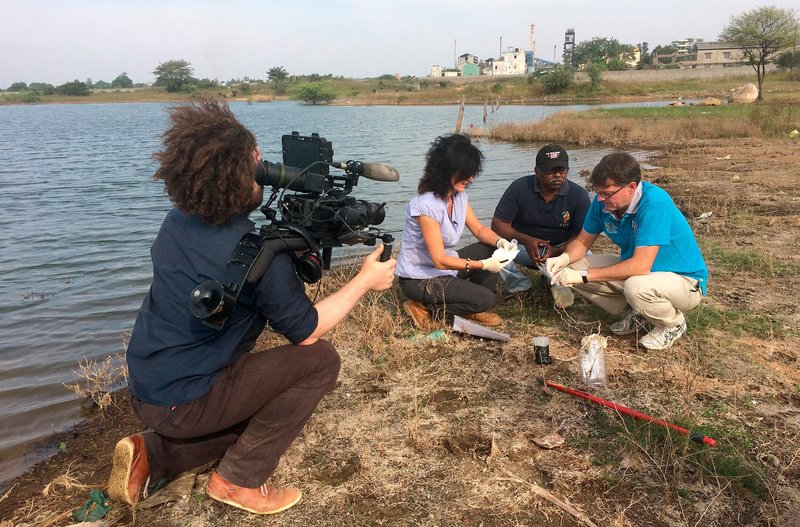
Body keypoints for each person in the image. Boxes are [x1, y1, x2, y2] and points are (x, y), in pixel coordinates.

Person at [106, 100, 396, 515]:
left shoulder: (177, 221)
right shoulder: (261, 254)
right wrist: (364, 281)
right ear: (239, 175)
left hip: (147, 387)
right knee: (319, 362)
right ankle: (238, 481)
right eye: (257, 161)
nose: (264, 167)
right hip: (186, 403)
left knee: (257, 403)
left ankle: (153, 455)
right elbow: (307, 329)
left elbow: (239, 265)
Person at [547, 152, 708, 350]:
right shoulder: (603, 204)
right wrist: (563, 259)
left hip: (683, 280)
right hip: (641, 273)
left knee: (635, 286)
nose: (599, 198)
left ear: (631, 187)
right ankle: (640, 311)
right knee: (572, 267)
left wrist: (583, 276)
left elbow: (641, 265)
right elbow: (582, 241)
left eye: (607, 193)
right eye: (597, 192)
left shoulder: (654, 204)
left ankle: (673, 324)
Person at [395, 134, 514, 329]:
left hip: (443, 269)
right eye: (465, 173)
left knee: (491, 249)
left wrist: (501, 242)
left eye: (472, 173)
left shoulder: (459, 197)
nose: (470, 179)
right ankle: (424, 306)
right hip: (420, 278)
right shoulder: (426, 206)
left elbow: (478, 229)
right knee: (486, 299)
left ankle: (471, 305)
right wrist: (483, 265)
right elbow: (439, 260)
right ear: (446, 171)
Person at [490, 144, 590, 302]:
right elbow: (498, 224)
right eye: (551, 171)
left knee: (587, 258)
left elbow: (582, 237)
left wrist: (558, 250)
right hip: (524, 248)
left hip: (562, 249)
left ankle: (552, 279)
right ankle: (520, 287)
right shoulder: (519, 188)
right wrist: (528, 241)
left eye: (562, 170)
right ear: (537, 172)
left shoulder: (578, 195)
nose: (558, 175)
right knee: (493, 246)